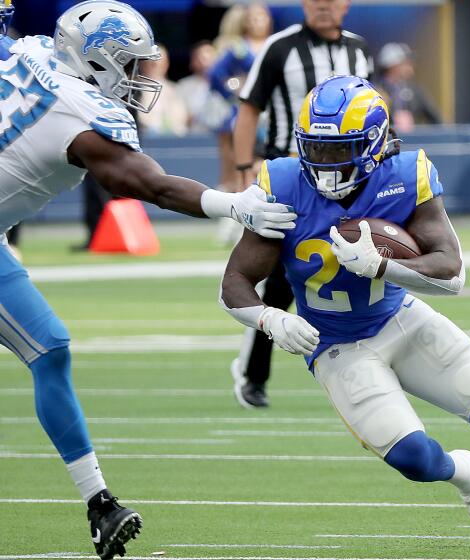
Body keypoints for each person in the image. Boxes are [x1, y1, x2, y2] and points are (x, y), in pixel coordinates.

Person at [0, 2, 295, 557]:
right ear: (95, 62)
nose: (141, 78)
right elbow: (150, 185)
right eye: (130, 65)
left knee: (51, 349)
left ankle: (100, 505)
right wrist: (233, 204)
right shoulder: (77, 112)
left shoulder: (33, 51)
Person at [220, 75, 470, 538]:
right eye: (314, 149)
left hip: (401, 318)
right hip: (337, 345)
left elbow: (452, 272)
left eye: (339, 151)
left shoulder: (405, 175)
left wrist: (383, 268)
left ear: (375, 143)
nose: (325, 164)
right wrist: (269, 317)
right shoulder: (282, 183)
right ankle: (466, 475)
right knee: (414, 460)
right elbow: (234, 281)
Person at [229, 0, 373, 409]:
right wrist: (244, 170)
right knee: (276, 281)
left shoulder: (360, 50)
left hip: (350, 182)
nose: (323, 5)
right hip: (290, 181)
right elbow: (249, 107)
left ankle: (366, 364)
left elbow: (376, 114)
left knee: (356, 267)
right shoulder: (280, 47)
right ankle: (253, 373)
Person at [208, 2, 274, 193]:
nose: (256, 22)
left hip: (272, 110)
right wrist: (233, 89)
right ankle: (237, 192)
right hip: (245, 108)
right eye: (252, 18)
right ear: (245, 23)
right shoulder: (239, 48)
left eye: (261, 17)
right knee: (239, 157)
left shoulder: (275, 43)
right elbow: (215, 75)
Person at [375, 42, 441, 133]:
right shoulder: (374, 92)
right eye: (405, 63)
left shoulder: (415, 91)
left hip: (412, 142)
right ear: (392, 66)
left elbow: (437, 120)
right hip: (386, 143)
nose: (410, 66)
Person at [137, 44, 189, 136]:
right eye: (151, 62)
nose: (155, 64)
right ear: (142, 63)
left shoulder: (175, 89)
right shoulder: (133, 89)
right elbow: (142, 120)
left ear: (166, 64)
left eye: (159, 61)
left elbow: (181, 119)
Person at [176, 40, 220, 134]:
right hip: (194, 139)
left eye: (209, 55)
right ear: (192, 62)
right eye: (199, 57)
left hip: (222, 138)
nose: (204, 61)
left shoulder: (226, 84)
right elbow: (179, 119)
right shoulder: (183, 86)